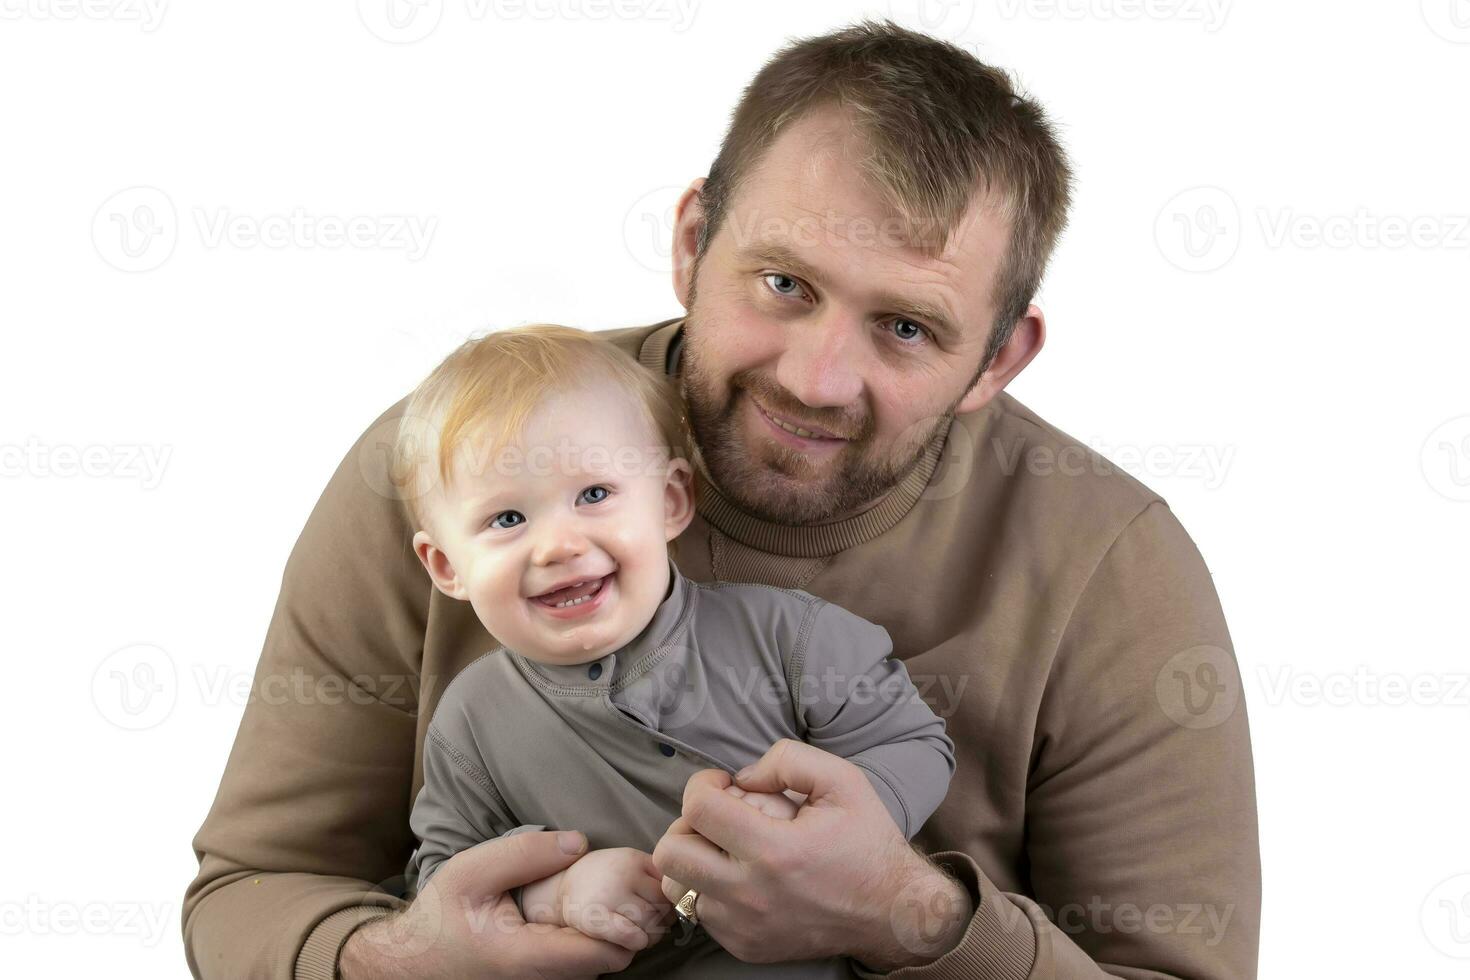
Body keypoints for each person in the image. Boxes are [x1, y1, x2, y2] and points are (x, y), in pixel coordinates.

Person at [183, 18, 1259, 980]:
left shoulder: (1112, 564)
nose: (814, 378)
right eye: (783, 283)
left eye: (907, 327)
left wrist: (909, 916)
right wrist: (405, 959)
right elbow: (252, 888)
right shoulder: (459, 463)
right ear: (694, 242)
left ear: (998, 359)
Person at [396, 323, 955, 978]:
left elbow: (916, 745)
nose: (558, 546)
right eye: (508, 520)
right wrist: (555, 893)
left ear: (669, 502)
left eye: (594, 495)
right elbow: (441, 881)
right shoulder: (470, 718)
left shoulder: (790, 637)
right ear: (447, 567)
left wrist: (828, 832)